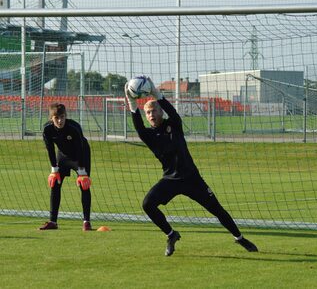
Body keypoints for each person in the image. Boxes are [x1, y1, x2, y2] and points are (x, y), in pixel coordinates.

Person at [125, 78, 258, 256]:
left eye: (154, 110)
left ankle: (240, 238)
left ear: (161, 112)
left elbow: (171, 110)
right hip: (170, 180)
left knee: (217, 210)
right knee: (147, 204)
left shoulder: (174, 124)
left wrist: (156, 93)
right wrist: (131, 100)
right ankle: (171, 235)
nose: (151, 115)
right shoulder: (147, 135)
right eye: (148, 112)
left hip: (192, 179)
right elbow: (137, 122)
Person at [39, 103, 93, 231]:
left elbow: (80, 148)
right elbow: (50, 149)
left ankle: (87, 222)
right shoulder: (47, 129)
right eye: (56, 118)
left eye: (62, 117)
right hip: (62, 156)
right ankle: (53, 221)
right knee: (54, 184)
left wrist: (82, 171)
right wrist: (54, 170)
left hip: (80, 156)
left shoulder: (74, 128)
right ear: (51, 118)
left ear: (65, 116)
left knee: (84, 185)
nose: (60, 120)